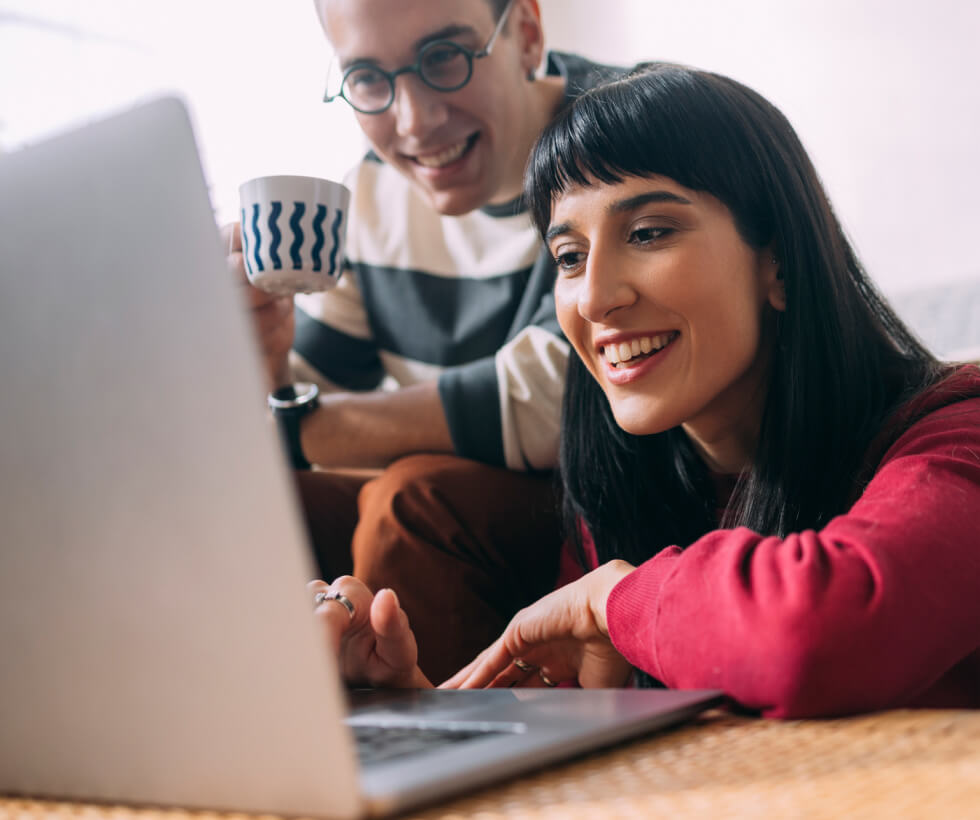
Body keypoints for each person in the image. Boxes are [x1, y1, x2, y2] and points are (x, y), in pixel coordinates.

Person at [312, 62, 980, 718]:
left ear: (778, 260)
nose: (596, 297)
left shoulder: (957, 432)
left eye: (648, 233)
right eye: (569, 257)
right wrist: (408, 715)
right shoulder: (626, 487)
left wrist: (614, 599)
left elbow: (815, 638)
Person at [225, 0, 626, 682]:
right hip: (475, 516)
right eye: (368, 80)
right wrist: (265, 366)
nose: (412, 120)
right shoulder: (371, 195)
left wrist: (294, 426)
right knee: (262, 498)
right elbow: (313, 404)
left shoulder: (619, 132)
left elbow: (546, 404)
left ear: (526, 35)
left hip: (605, 500)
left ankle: (440, 754)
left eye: (444, 57)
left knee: (411, 501)